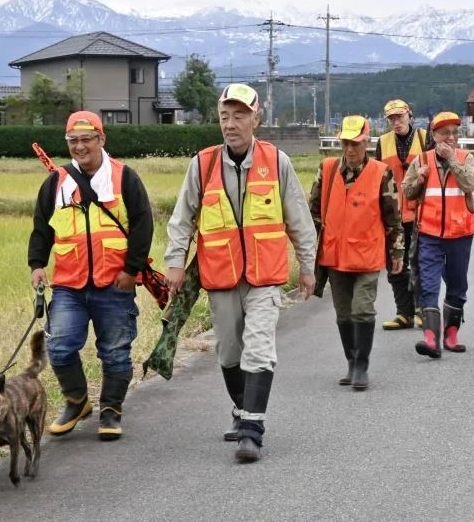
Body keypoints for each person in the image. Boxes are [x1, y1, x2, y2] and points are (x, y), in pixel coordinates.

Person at [164, 83, 316, 463]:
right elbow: (182, 219)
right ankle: (241, 407)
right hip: (221, 277)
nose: (231, 124)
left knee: (260, 348)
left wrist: (308, 267)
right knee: (229, 351)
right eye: (225, 117)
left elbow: (299, 217)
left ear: (256, 119)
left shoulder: (276, 161)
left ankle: (252, 430)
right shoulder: (202, 165)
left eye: (240, 116)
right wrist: (175, 263)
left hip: (265, 277)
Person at [28, 111, 154, 441]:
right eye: (73, 141)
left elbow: (143, 225)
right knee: (59, 347)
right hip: (69, 283)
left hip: (115, 282)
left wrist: (131, 269)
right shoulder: (56, 182)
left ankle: (111, 410)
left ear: (102, 139)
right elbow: (42, 227)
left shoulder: (124, 178)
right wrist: (37, 264)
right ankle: (76, 400)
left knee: (115, 351)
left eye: (87, 139)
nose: (80, 147)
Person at [310, 115, 404, 390]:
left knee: (362, 310)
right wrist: (307, 254)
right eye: (346, 143)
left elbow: (393, 218)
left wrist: (397, 253)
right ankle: (351, 361)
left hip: (367, 256)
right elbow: (313, 212)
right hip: (334, 257)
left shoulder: (380, 172)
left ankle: (362, 365)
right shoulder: (326, 169)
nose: (351, 150)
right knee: (343, 314)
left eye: (356, 144)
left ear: (367, 143)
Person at [402, 111, 474, 359]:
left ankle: (451, 334)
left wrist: (452, 161)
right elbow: (408, 192)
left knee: (457, 285)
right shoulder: (422, 160)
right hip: (429, 234)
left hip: (460, 233)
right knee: (428, 284)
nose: (451, 137)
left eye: (455, 132)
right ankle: (431, 338)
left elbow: (469, 184)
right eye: (445, 133)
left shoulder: (466, 158)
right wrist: (420, 179)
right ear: (434, 135)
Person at [375, 99, 429, 330]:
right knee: (395, 264)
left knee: (420, 262)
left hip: (421, 212)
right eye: (392, 119)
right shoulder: (383, 142)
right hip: (393, 214)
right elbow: (376, 177)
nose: (396, 122)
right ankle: (403, 313)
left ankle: (422, 310)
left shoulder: (425, 138)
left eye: (400, 116)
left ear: (409, 114)